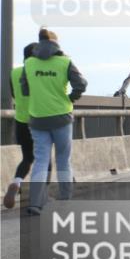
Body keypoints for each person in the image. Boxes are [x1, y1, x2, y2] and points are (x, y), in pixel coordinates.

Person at [20, 28, 87, 215]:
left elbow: (24, 89)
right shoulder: (65, 62)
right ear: (56, 43)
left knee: (41, 160)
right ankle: (65, 200)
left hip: (37, 118)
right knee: (63, 160)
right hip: (61, 117)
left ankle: (36, 203)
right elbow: (81, 84)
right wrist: (71, 97)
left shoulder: (30, 63)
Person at [4, 43, 38, 209]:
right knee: (44, 159)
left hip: (21, 121)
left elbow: (13, 94)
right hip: (39, 120)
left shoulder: (15, 72)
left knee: (27, 158)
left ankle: (17, 183)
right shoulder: (38, 73)